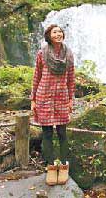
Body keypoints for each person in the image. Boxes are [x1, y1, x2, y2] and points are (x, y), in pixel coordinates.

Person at [30, 24, 75, 185]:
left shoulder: (69, 54)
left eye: (60, 32)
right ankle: (50, 166)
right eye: (55, 32)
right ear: (49, 35)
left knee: (62, 133)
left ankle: (63, 165)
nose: (58, 34)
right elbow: (36, 76)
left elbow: (71, 78)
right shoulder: (42, 53)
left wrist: (71, 99)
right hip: (44, 97)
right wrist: (33, 99)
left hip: (62, 97)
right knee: (47, 134)